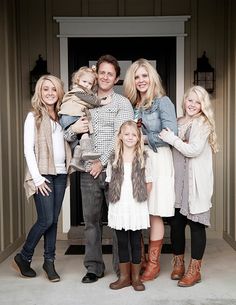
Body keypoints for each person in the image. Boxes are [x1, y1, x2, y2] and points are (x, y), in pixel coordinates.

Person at [64, 54, 134, 283]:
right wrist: (74, 127)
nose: (105, 77)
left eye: (110, 74)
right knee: (91, 221)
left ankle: (120, 267)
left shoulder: (122, 103)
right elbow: (66, 134)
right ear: (97, 75)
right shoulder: (82, 100)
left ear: (116, 79)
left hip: (114, 169)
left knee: (117, 220)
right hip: (87, 172)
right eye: (101, 72)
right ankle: (93, 267)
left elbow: (122, 137)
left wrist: (101, 162)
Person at [12, 75, 72, 282]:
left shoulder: (62, 117)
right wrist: (37, 179)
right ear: (39, 92)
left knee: (53, 220)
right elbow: (28, 149)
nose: (49, 93)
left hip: (61, 173)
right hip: (43, 175)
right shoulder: (34, 117)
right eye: (45, 89)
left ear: (59, 92)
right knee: (46, 219)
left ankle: (49, 262)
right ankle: (24, 256)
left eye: (53, 89)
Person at [123, 58, 177, 282]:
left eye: (145, 76)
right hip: (139, 161)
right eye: (137, 77)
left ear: (152, 78)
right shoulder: (133, 106)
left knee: (154, 212)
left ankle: (153, 264)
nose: (141, 80)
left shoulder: (163, 102)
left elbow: (170, 134)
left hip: (159, 160)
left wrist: (144, 139)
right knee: (140, 210)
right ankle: (142, 258)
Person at [159, 85, 218, 287]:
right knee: (176, 225)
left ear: (203, 105)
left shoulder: (203, 124)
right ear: (184, 101)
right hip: (177, 183)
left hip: (195, 184)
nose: (192, 104)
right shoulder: (177, 122)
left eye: (197, 101)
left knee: (196, 226)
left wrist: (173, 139)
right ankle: (178, 264)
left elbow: (193, 150)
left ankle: (195, 271)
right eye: (189, 100)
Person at [106, 120, 152, 291]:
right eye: (126, 134)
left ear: (139, 137)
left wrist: (141, 201)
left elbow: (149, 182)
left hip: (136, 205)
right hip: (119, 204)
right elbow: (110, 181)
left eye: (134, 134)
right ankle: (124, 277)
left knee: (135, 241)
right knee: (122, 241)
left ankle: (136, 277)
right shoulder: (114, 158)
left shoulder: (143, 157)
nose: (130, 137)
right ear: (120, 136)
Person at [59, 66, 111, 171]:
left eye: (89, 83)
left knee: (80, 140)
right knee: (85, 132)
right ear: (77, 80)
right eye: (84, 81)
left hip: (69, 117)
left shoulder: (81, 91)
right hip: (71, 116)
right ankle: (87, 151)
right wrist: (102, 102)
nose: (87, 85)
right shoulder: (78, 90)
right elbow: (90, 100)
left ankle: (76, 159)